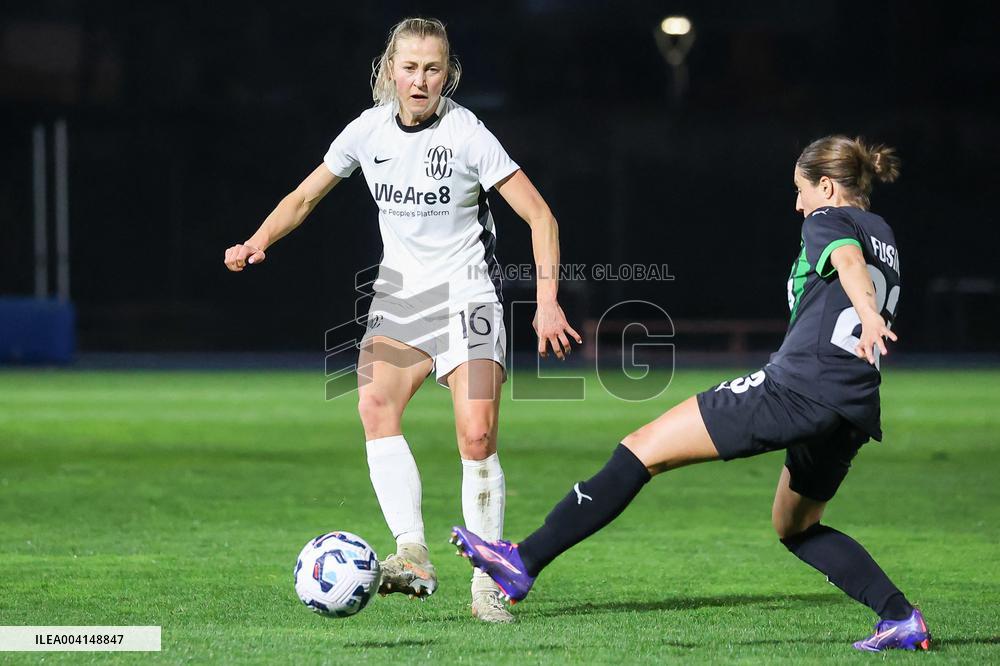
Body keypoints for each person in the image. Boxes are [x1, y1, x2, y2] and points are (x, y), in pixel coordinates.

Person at [453, 136, 931, 650]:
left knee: (641, 448)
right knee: (795, 525)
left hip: (799, 389)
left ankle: (521, 562)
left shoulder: (826, 221)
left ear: (828, 186)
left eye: (801, 190)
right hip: (852, 405)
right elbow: (859, 267)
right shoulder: (883, 232)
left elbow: (849, 267)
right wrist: (870, 321)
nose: (797, 204)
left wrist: (868, 317)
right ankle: (899, 615)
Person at [225, 17, 581, 623]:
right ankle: (412, 553)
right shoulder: (367, 131)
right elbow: (305, 196)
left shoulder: (468, 134)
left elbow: (541, 217)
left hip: (469, 295)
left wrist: (547, 302)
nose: (420, 80)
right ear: (390, 70)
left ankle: (488, 581)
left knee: (476, 436)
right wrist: (259, 240)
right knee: (375, 406)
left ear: (449, 75)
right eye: (410, 67)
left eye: (433, 68)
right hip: (402, 298)